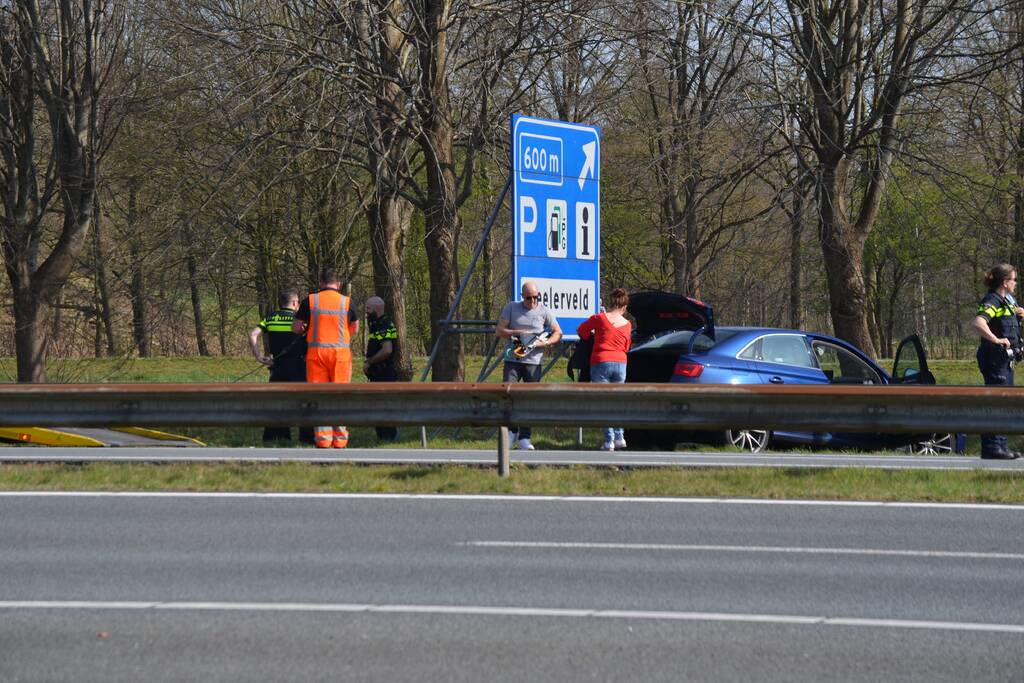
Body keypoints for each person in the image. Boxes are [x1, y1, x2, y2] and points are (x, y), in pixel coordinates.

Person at [292, 269, 359, 449]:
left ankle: (323, 440)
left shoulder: (310, 300)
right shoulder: (347, 302)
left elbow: (296, 328)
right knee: (340, 397)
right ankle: (340, 441)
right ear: (338, 284)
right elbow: (354, 329)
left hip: (316, 356)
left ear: (321, 283)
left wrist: (309, 329)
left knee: (318, 397)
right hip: (341, 356)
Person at [495, 281, 563, 450]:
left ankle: (525, 437)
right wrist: (516, 333)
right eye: (528, 298)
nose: (532, 301)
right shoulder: (511, 308)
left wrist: (545, 343)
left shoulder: (544, 311)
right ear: (522, 296)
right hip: (513, 360)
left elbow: (558, 332)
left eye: (535, 297)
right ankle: (511, 432)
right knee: (508, 394)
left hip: (533, 362)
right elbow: (499, 331)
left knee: (529, 399)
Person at [249, 290, 314, 444]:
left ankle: (276, 437)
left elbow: (253, 334)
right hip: (299, 366)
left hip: (277, 366)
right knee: (305, 402)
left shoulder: (271, 318)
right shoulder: (299, 320)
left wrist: (259, 357)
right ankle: (307, 438)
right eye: (297, 302)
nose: (299, 305)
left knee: (277, 402)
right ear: (293, 303)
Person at [971, 263, 1021, 460]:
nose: (1016, 283)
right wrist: (997, 339)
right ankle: (993, 447)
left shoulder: (1007, 301)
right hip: (994, 358)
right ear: (1005, 282)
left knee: (1003, 401)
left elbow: (1008, 318)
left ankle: (1000, 446)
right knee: (997, 402)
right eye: (1013, 280)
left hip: (1004, 360)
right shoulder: (993, 300)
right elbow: (978, 322)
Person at [577, 288, 632, 451]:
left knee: (603, 401)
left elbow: (581, 331)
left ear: (611, 302)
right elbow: (627, 346)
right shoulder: (627, 324)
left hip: (600, 361)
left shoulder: (599, 318)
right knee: (617, 400)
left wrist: (592, 337)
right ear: (624, 306)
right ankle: (620, 437)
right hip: (621, 362)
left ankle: (609, 441)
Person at [363, 295, 399, 442]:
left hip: (385, 373)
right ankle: (383, 437)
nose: (366, 312)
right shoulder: (377, 323)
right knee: (377, 407)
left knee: (383, 407)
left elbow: (387, 350)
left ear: (377, 309)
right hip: (378, 373)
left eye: (368, 308)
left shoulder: (383, 324)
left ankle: (388, 437)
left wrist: (370, 362)